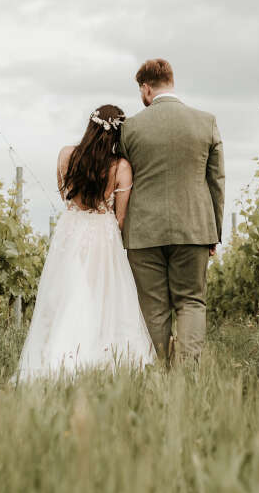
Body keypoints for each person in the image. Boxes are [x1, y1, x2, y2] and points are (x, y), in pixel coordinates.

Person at [14, 104, 155, 381]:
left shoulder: (66, 155)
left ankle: (59, 355)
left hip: (70, 230)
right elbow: (121, 216)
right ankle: (101, 359)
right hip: (103, 235)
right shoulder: (121, 167)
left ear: (90, 126)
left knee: (66, 292)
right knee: (104, 296)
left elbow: (65, 197)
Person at [120, 59, 225, 366]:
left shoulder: (130, 128)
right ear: (171, 82)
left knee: (153, 308)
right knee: (191, 301)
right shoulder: (205, 122)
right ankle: (187, 374)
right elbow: (216, 181)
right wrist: (214, 232)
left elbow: (122, 179)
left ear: (145, 88)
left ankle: (161, 372)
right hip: (193, 227)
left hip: (143, 232)